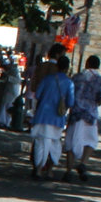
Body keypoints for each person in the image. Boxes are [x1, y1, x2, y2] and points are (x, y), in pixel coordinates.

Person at [30, 52, 75, 180]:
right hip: (57, 118)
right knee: (54, 143)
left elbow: (38, 94)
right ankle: (49, 170)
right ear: (67, 68)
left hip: (42, 115)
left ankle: (38, 169)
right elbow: (71, 102)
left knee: (40, 142)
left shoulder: (48, 79)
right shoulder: (69, 83)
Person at [64, 54, 101, 180]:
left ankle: (69, 170)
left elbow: (70, 95)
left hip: (76, 112)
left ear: (87, 64)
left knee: (71, 141)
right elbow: (100, 99)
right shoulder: (100, 80)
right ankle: (83, 163)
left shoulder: (76, 77)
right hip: (90, 113)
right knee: (91, 140)